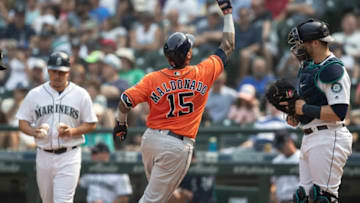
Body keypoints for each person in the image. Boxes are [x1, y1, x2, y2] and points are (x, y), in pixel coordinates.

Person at [112, 0, 235, 202]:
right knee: (153, 199)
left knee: (165, 196)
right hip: (176, 145)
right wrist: (228, 13)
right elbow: (228, 46)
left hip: (150, 140)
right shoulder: (201, 73)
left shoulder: (153, 78)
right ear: (188, 55)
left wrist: (121, 122)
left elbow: (125, 100)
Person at [16, 51, 98, 203]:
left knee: (63, 201)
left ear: (68, 72)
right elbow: (22, 122)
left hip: (69, 155)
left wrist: (73, 131)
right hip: (43, 154)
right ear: (48, 70)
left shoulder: (81, 94)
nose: (57, 75)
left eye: (61, 72)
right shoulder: (35, 94)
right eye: (54, 71)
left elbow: (91, 123)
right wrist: (33, 131)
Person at [286, 19, 352, 202]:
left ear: (315, 43)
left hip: (329, 136)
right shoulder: (308, 67)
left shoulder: (332, 69)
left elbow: (339, 112)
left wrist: (305, 108)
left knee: (324, 198)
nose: (298, 48)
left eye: (301, 43)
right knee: (303, 197)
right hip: (310, 136)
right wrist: (296, 115)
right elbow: (309, 104)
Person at [271, 130, 300, 203]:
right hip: (281, 200)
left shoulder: (302, 157)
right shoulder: (276, 161)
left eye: (281, 146)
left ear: (289, 141)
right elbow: (273, 183)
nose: (279, 149)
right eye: (278, 147)